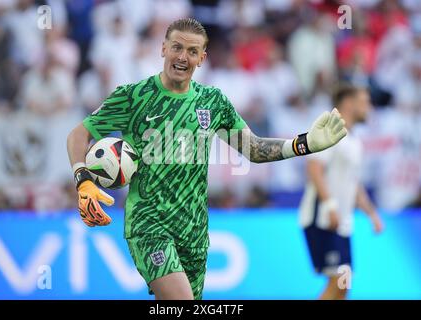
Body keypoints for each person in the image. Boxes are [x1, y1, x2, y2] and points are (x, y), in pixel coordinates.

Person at [67, 18, 347, 300]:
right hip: (149, 224)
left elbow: (254, 149)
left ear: (202, 58)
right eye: (176, 47)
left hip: (194, 229)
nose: (182, 57)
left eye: (192, 51)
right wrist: (83, 180)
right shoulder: (133, 96)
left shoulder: (213, 102)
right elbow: (79, 135)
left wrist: (305, 143)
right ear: (163, 48)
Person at [299, 84, 384, 300]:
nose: (369, 108)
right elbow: (314, 169)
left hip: (342, 223)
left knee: (344, 284)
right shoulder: (329, 131)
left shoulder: (354, 141)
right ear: (348, 102)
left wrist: (372, 214)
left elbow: (353, 183)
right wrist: (330, 206)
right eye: (364, 102)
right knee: (337, 280)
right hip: (323, 219)